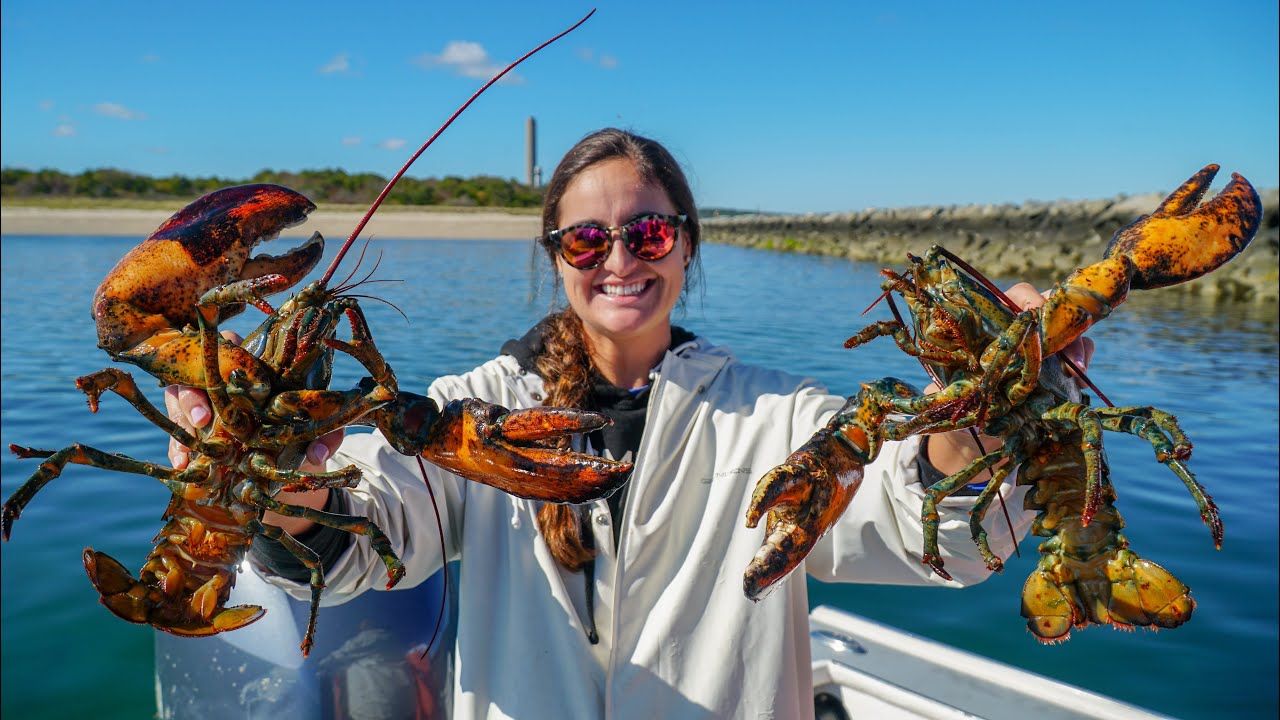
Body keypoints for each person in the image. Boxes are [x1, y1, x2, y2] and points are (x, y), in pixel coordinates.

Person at [168, 128, 1093, 719]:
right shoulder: (462, 412)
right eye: (586, 240)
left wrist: (970, 428)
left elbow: (921, 531)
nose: (619, 258)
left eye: (648, 233)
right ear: (556, 258)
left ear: (687, 243)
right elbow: (365, 533)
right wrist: (281, 494)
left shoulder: (774, 416)